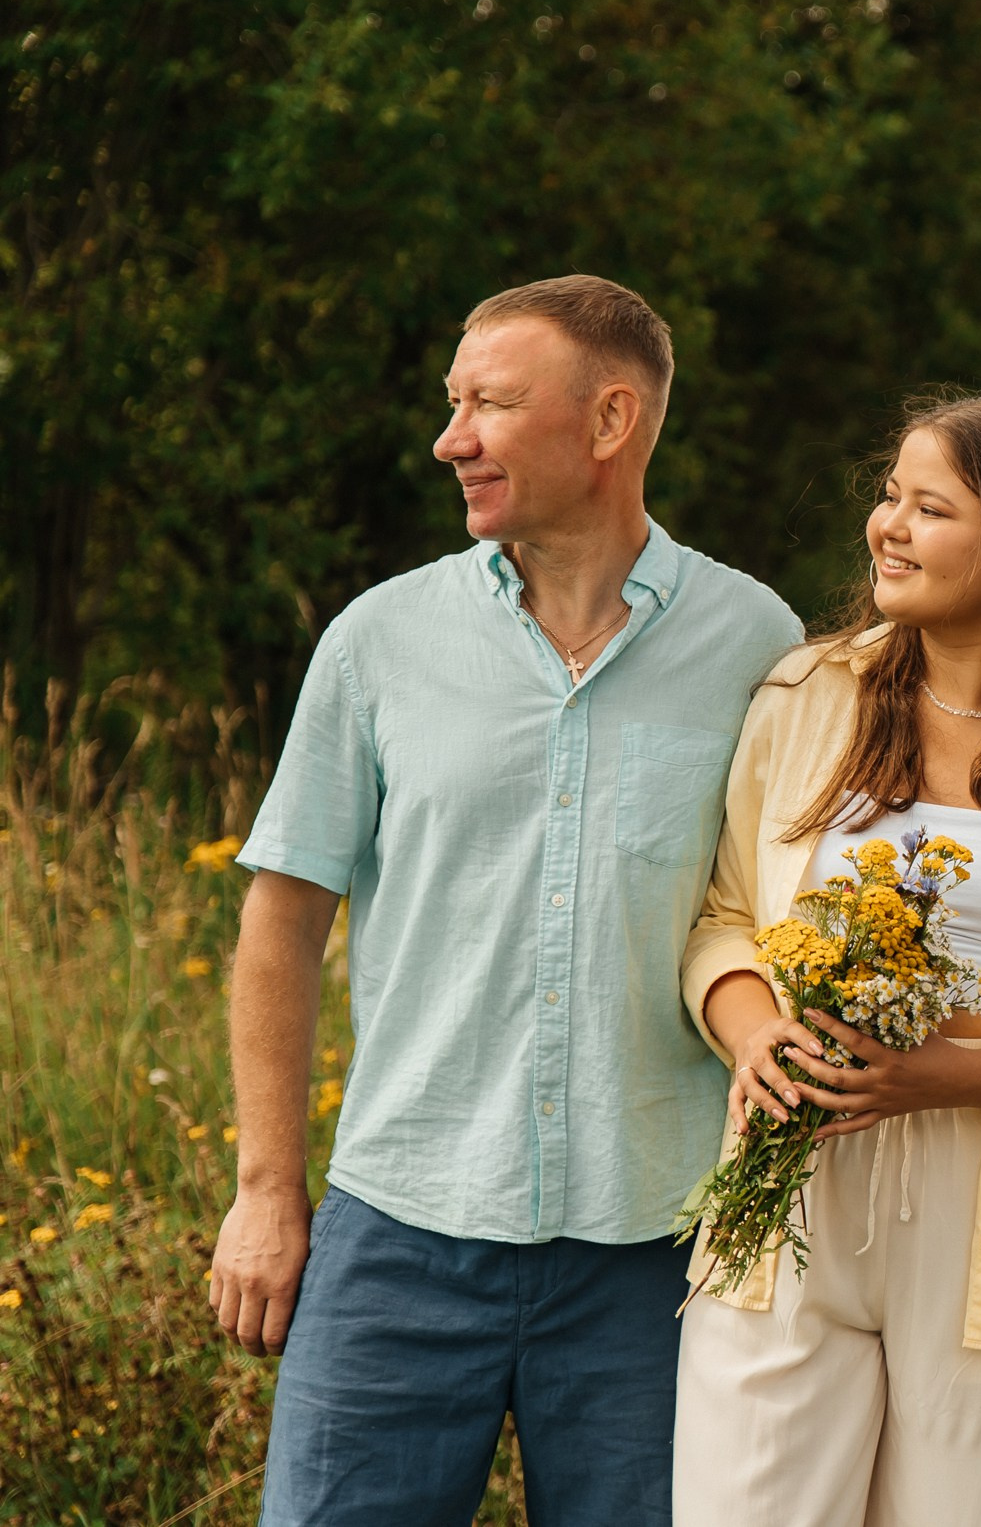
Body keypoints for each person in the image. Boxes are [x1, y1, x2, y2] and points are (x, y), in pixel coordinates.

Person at [211, 275, 804, 1525]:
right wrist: (269, 1184)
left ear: (608, 422)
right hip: (401, 1234)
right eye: (452, 403)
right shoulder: (379, 640)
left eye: (489, 403)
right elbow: (283, 917)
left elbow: (775, 913)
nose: (452, 438)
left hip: (660, 1254)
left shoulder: (758, 644)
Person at [672, 395, 981, 1526]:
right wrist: (757, 1032)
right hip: (788, 1181)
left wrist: (949, 1073)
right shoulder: (807, 694)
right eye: (889, 496)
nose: (887, 526)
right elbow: (723, 918)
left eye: (930, 507)